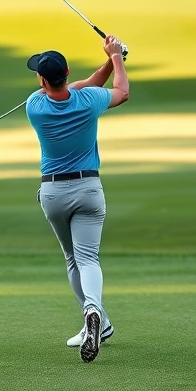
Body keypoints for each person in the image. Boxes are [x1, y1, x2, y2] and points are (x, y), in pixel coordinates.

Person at [25, 34, 130, 363]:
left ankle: (98, 322)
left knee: (72, 259)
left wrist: (112, 60)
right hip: (88, 190)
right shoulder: (88, 102)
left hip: (53, 192)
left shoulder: (35, 106)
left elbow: (79, 86)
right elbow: (121, 92)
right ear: (67, 73)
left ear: (43, 80)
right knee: (88, 259)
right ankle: (94, 312)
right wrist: (116, 58)